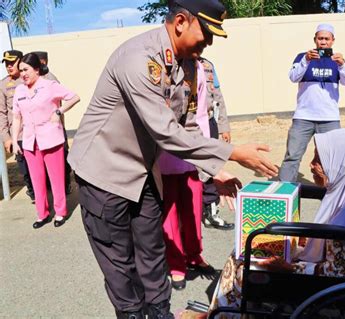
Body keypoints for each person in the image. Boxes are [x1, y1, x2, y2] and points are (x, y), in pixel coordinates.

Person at [67, 1, 278, 318]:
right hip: (103, 176)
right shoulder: (139, 59)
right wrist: (232, 152)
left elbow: (185, 125)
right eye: (206, 32)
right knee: (120, 264)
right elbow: (165, 132)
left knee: (153, 253)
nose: (208, 42)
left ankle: (160, 312)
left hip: (143, 174)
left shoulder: (183, 65)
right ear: (181, 21)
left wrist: (213, 170)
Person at [197, 129, 345, 317]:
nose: (311, 165)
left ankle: (224, 314)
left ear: (342, 164)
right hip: (335, 268)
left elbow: (339, 272)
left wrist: (289, 268)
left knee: (243, 259)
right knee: (252, 248)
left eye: (319, 160)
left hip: (325, 282)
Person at [158, 58, 214, 291]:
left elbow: (202, 109)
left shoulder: (200, 66)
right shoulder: (162, 66)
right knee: (170, 211)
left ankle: (194, 255)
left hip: (194, 146)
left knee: (193, 208)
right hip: (166, 150)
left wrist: (207, 149)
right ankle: (176, 263)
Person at [11, 53, 80, 228]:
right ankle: (42, 214)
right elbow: (17, 117)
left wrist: (59, 112)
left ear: (36, 69)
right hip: (29, 142)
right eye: (21, 71)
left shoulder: (50, 86)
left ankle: (60, 212)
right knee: (37, 180)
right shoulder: (19, 90)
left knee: (56, 179)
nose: (23, 74)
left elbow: (74, 97)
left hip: (51, 139)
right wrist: (14, 140)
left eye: (26, 70)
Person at [279, 23, 345, 182]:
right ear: (315, 40)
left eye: (327, 39)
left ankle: (331, 194)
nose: (323, 42)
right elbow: (293, 77)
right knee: (292, 156)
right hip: (303, 117)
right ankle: (285, 192)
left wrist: (342, 65)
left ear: (333, 40)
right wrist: (306, 60)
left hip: (329, 118)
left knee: (332, 160)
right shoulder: (302, 57)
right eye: (320, 38)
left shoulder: (337, 60)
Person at [198, 56, 234, 230]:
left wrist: (223, 126)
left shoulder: (207, 65)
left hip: (209, 121)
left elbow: (218, 96)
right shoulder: (175, 63)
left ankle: (210, 213)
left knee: (210, 167)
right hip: (188, 125)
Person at [32, 50, 73, 195]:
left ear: (42, 62)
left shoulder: (49, 79)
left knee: (60, 159)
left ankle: (65, 185)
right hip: (47, 127)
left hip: (54, 126)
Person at [0, 50, 35, 201]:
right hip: (18, 135)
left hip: (35, 132)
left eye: (11, 63)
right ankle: (33, 192)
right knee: (24, 169)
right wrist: (6, 138)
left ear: (20, 61)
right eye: (6, 63)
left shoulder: (30, 78)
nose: (9, 66)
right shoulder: (2, 85)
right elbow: (1, 113)